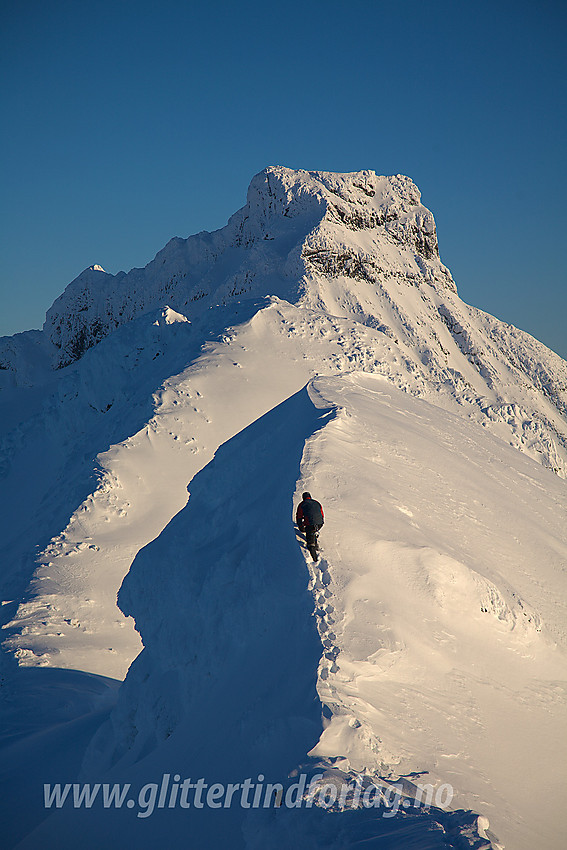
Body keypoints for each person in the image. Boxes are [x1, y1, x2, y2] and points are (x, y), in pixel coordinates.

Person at [296, 492, 324, 561]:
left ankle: (315, 559)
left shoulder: (302, 504)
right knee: (313, 532)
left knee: (310, 543)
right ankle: (315, 543)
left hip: (310, 524)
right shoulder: (317, 502)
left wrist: (301, 527)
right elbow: (322, 514)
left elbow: (299, 517)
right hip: (320, 523)